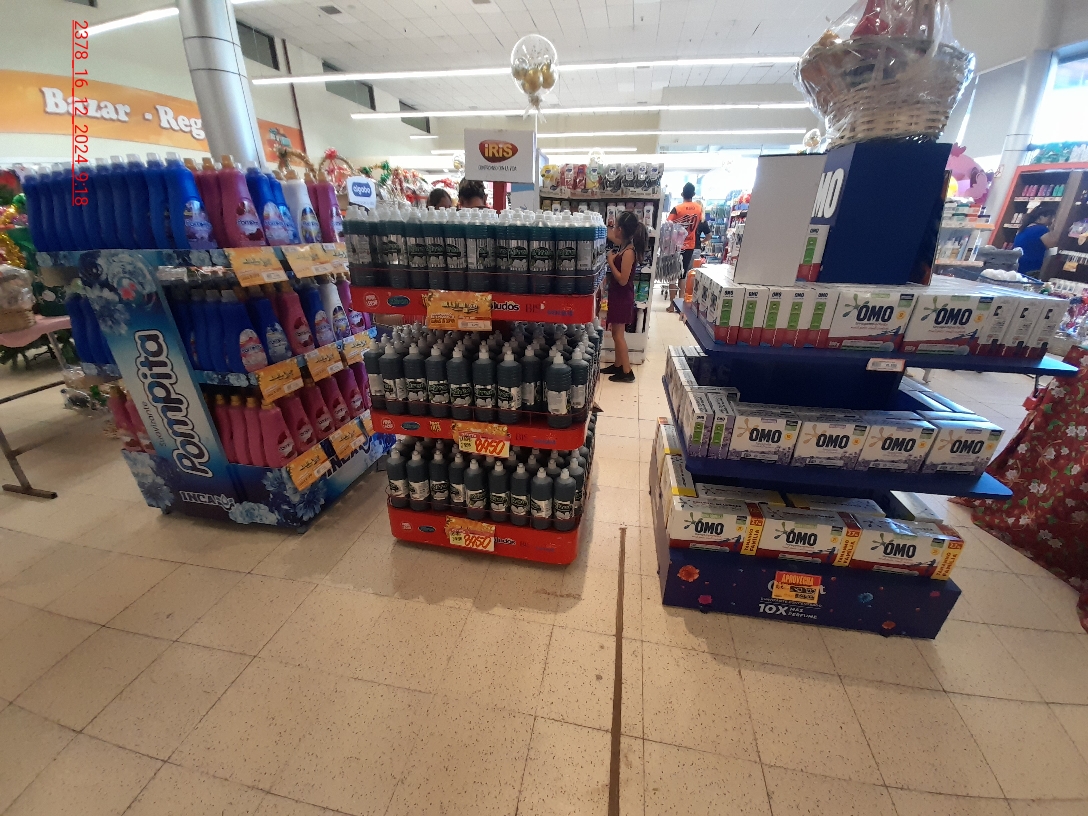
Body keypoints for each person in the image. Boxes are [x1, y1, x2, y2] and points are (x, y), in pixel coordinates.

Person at [600, 210, 646, 383]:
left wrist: (610, 261)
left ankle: (627, 372)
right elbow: (612, 237)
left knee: (618, 335)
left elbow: (622, 279)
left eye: (616, 227)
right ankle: (618, 365)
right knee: (615, 333)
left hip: (622, 297)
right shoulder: (625, 245)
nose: (614, 230)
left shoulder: (629, 252)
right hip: (618, 296)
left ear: (621, 229)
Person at [666, 182, 709, 311]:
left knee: (672, 276)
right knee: (683, 275)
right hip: (690, 245)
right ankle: (681, 305)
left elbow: (668, 225)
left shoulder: (677, 209)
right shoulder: (699, 208)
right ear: (694, 194)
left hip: (675, 246)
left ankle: (672, 305)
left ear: (682, 194)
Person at [1013, 204, 1059, 275]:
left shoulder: (1024, 228)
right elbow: (1053, 248)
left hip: (1019, 266)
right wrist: (1052, 228)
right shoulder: (1041, 229)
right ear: (1041, 217)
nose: (1051, 220)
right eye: (1050, 217)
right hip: (1032, 268)